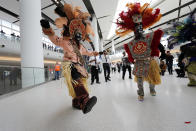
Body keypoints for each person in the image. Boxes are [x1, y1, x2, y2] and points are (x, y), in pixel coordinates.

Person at [40, 4, 98, 114]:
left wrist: (93, 53)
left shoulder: (81, 46)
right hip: (70, 65)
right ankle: (85, 100)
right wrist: (47, 28)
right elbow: (55, 39)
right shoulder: (65, 41)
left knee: (77, 83)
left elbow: (87, 53)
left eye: (81, 33)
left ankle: (77, 102)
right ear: (72, 32)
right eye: (77, 33)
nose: (79, 35)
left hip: (79, 66)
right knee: (76, 80)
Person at [116, 2, 163, 101]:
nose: (139, 30)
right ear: (134, 31)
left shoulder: (150, 36)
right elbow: (129, 54)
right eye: (137, 29)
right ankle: (141, 94)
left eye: (141, 28)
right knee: (140, 81)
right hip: (139, 62)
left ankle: (152, 90)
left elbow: (157, 38)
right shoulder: (131, 43)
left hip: (150, 61)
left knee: (151, 79)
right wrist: (132, 59)